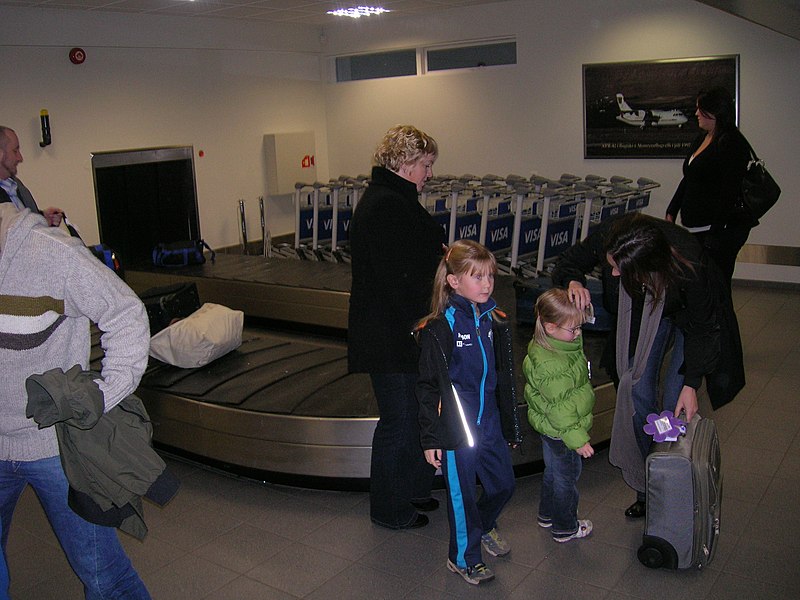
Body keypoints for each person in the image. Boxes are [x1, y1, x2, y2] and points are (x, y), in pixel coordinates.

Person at [0, 203, 152, 598]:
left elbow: (127, 313)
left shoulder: (51, 252)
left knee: (105, 577)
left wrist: (101, 395)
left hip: (54, 447)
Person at [551, 212, 740, 520]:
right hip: (646, 312)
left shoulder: (690, 264)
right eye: (610, 263)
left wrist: (692, 384)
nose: (612, 275)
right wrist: (573, 280)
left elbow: (704, 329)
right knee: (635, 390)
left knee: (673, 407)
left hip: (687, 317)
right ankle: (646, 483)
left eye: (617, 269)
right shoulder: (612, 235)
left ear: (646, 268)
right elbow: (569, 263)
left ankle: (670, 481)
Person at [348, 125, 446, 529]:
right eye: (425, 165)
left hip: (398, 331)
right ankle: (389, 508)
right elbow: (399, 279)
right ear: (405, 163)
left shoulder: (392, 199)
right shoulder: (386, 205)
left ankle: (411, 490)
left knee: (408, 418)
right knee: (398, 422)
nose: (428, 173)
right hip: (391, 336)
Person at [415, 240, 521, 585]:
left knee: (503, 485)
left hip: (488, 423)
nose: (486, 284)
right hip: (457, 429)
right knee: (461, 500)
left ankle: (486, 524)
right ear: (453, 281)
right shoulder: (440, 327)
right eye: (476, 277)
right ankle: (463, 558)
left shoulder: (494, 319)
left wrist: (511, 425)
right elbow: (428, 387)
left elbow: (503, 376)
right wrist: (431, 437)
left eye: (489, 276)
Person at [523, 288, 595, 542]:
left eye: (579, 328)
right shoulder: (551, 362)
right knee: (567, 478)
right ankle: (565, 526)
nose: (577, 334)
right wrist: (579, 440)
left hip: (551, 428)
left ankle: (546, 514)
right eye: (573, 329)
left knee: (553, 472)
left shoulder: (557, 343)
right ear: (551, 327)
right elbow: (559, 409)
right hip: (562, 431)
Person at [666, 87, 752, 288]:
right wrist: (672, 209)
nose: (696, 113)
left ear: (714, 112)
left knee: (717, 288)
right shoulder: (703, 138)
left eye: (700, 109)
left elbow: (728, 192)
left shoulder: (732, 143)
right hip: (698, 228)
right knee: (699, 288)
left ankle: (722, 321)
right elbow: (690, 177)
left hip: (720, 230)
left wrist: (715, 233)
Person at [0, 125, 64, 227]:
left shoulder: (17, 186)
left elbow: (22, 222)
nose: (20, 158)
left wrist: (42, 217)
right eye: (15, 151)